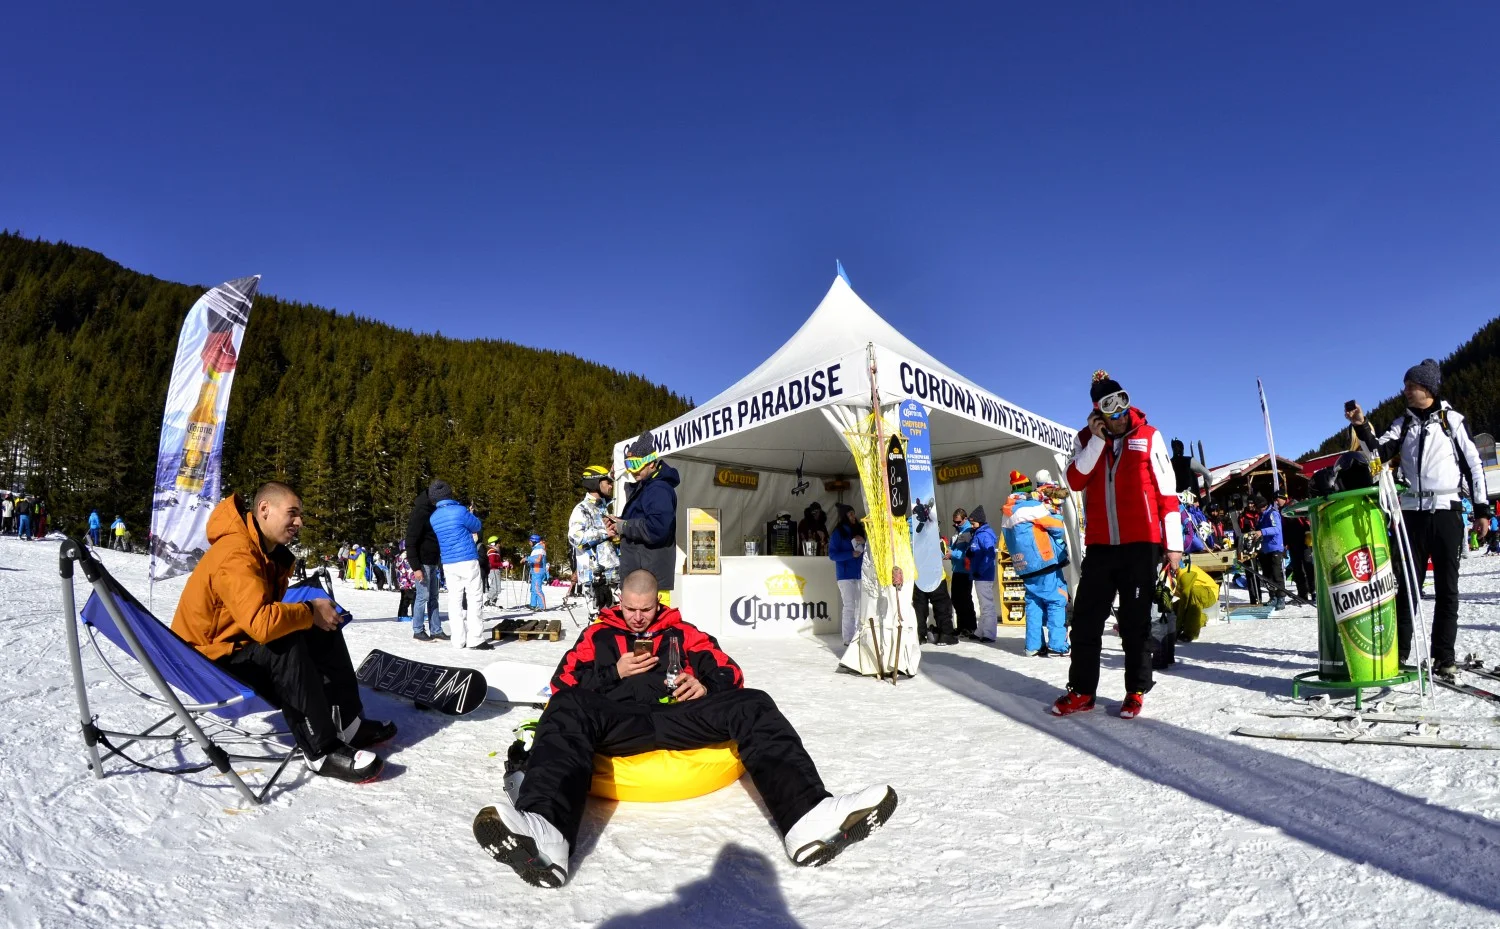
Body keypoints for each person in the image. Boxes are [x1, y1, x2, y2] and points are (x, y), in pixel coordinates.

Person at [471, 569, 898, 888]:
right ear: (619, 601)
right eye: (630, 609)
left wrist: (704, 684)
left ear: (658, 601)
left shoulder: (683, 632)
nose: (638, 619)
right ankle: (546, 833)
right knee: (567, 707)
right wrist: (611, 673)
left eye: (646, 609)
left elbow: (731, 672)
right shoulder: (596, 636)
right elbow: (561, 685)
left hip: (681, 719)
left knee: (755, 703)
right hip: (617, 723)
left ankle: (808, 816)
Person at [170, 482, 394, 782]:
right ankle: (321, 749)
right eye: (292, 513)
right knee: (284, 639)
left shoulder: (261, 551)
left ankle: (350, 723)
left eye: (300, 515)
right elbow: (261, 623)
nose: (299, 522)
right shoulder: (236, 552)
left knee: (323, 624)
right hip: (208, 665)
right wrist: (308, 612)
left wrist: (316, 613)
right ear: (265, 509)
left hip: (233, 648)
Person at [1346, 358, 1490, 679]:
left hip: (1447, 512)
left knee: (1447, 589)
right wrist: (1361, 424)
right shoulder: (1403, 424)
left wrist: (1481, 510)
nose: (1406, 391)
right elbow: (1378, 451)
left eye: (1411, 386)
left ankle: (1444, 656)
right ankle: (1398, 653)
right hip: (1411, 515)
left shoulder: (1452, 421)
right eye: (1406, 386)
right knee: (1408, 587)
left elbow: (1473, 465)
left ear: (1428, 388)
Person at [1052, 371, 1182, 720]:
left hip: (1141, 544)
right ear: (1099, 414)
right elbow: (1076, 480)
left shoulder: (1150, 436)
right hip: (1101, 546)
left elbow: (1167, 494)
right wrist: (1096, 440)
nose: (1121, 416)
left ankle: (1135, 690)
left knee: (1135, 622)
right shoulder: (1085, 439)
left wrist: (1174, 545)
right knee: (1085, 621)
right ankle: (1082, 691)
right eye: (1112, 412)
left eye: (1123, 407)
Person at [1002, 471, 1070, 657]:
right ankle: (1057, 645)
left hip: (1023, 566)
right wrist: (1055, 514)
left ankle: (1033, 646)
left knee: (1033, 602)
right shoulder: (1031, 506)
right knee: (1056, 599)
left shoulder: (1007, 512)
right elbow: (1056, 527)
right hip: (1044, 561)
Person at [607, 432, 680, 603]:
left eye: (636, 464)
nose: (633, 471)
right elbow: (641, 521)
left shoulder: (658, 489)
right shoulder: (646, 487)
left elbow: (657, 528)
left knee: (656, 628)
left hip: (650, 581)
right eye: (628, 464)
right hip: (641, 578)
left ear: (652, 463)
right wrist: (619, 522)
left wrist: (624, 527)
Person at [430, 482, 488, 650]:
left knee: (454, 600)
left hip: (448, 561)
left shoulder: (434, 517)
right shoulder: (460, 511)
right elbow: (476, 526)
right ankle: (475, 638)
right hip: (467, 558)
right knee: (474, 597)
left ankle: (458, 639)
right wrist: (470, 513)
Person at [567, 465, 619, 618]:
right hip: (595, 579)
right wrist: (604, 532)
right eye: (607, 482)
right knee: (598, 623)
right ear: (595, 483)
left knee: (616, 623)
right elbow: (575, 537)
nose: (610, 485)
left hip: (612, 575)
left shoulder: (602, 508)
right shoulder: (582, 509)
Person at [404, 483, 449, 642]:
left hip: (433, 561)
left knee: (434, 597)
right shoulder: (420, 512)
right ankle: (418, 629)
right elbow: (410, 541)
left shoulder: (434, 510)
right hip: (422, 562)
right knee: (423, 596)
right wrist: (416, 567)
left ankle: (436, 629)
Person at [827, 504, 865, 645]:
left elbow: (868, 551)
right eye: (850, 514)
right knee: (849, 606)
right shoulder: (838, 533)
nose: (853, 516)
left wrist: (865, 542)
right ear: (844, 516)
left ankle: (858, 635)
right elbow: (832, 555)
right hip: (845, 575)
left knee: (861, 606)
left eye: (853, 513)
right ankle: (848, 638)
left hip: (860, 573)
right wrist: (850, 554)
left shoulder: (860, 530)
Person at [966, 506, 999, 642]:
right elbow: (978, 550)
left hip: (983, 575)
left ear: (980, 522)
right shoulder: (979, 533)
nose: (971, 526)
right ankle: (981, 631)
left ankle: (989, 633)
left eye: (973, 523)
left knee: (987, 604)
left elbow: (989, 554)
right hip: (979, 574)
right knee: (982, 604)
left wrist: (981, 570)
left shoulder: (984, 534)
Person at [1254, 492, 1288, 611]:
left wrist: (1262, 532)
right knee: (1267, 575)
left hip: (1275, 548)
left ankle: (1281, 598)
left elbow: (1277, 529)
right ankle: (1272, 596)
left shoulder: (1273, 513)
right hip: (1265, 549)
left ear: (1262, 506)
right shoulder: (1261, 515)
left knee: (1276, 574)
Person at [948, 509, 977, 637]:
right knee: (956, 599)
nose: (956, 524)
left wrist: (952, 553)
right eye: (954, 522)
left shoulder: (968, 531)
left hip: (965, 570)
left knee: (965, 599)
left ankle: (970, 626)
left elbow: (968, 552)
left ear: (965, 519)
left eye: (958, 522)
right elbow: (954, 547)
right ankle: (961, 626)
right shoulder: (958, 531)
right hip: (956, 569)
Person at [1282, 491, 1315, 604]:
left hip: (1304, 544)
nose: (1277, 502)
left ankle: (1314, 591)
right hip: (1293, 544)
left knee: (1309, 567)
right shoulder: (1284, 512)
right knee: (1297, 570)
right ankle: (1302, 593)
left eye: (1278, 499)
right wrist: (1285, 545)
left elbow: (1308, 522)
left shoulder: (1296, 506)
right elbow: (1285, 530)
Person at [395, 543, 417, 621]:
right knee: (412, 599)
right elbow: (409, 571)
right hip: (407, 583)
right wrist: (413, 582)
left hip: (403, 583)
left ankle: (402, 615)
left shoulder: (399, 558)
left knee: (405, 600)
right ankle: (416, 615)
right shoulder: (405, 559)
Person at [526, 535, 549, 611]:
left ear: (534, 541)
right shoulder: (536, 548)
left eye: (530, 541)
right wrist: (528, 561)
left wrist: (527, 558)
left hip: (538, 571)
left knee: (537, 589)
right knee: (533, 589)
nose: (529, 543)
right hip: (535, 571)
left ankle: (542, 606)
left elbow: (538, 560)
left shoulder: (540, 548)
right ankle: (533, 604)